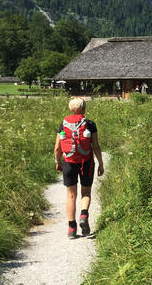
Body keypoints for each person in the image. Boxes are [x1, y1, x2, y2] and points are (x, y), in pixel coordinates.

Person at [54, 98, 104, 239]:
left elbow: (58, 147)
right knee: (86, 192)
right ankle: (83, 215)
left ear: (71, 109)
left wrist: (58, 161)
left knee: (70, 195)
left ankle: (71, 228)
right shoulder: (90, 124)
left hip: (69, 161)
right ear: (84, 109)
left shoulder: (63, 124)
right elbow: (96, 146)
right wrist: (100, 163)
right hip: (86, 162)